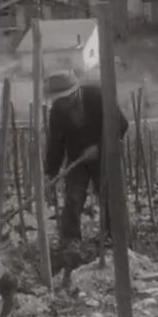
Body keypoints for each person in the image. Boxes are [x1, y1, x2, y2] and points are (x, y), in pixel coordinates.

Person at [44, 70, 129, 257]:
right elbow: (55, 144)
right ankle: (70, 240)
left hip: (105, 154)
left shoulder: (97, 96)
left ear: (75, 92)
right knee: (73, 197)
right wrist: (50, 172)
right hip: (77, 158)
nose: (62, 103)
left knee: (108, 195)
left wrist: (99, 146)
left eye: (65, 99)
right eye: (59, 100)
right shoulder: (57, 111)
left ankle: (115, 237)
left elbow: (121, 125)